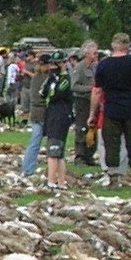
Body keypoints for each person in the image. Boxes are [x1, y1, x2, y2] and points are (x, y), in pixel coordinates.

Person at [89, 35, 131, 185]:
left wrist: (92, 113)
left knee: (112, 143)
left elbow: (97, 91)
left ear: (113, 45)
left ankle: (113, 177)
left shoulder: (104, 65)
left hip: (111, 109)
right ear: (128, 46)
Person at [38, 55, 77, 187]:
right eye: (51, 64)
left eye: (56, 64)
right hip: (51, 114)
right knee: (58, 153)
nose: (52, 67)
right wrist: (50, 80)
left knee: (54, 150)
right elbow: (42, 93)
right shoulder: (51, 78)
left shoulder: (66, 79)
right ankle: (61, 182)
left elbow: (55, 94)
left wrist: (52, 84)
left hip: (60, 116)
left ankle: (51, 181)